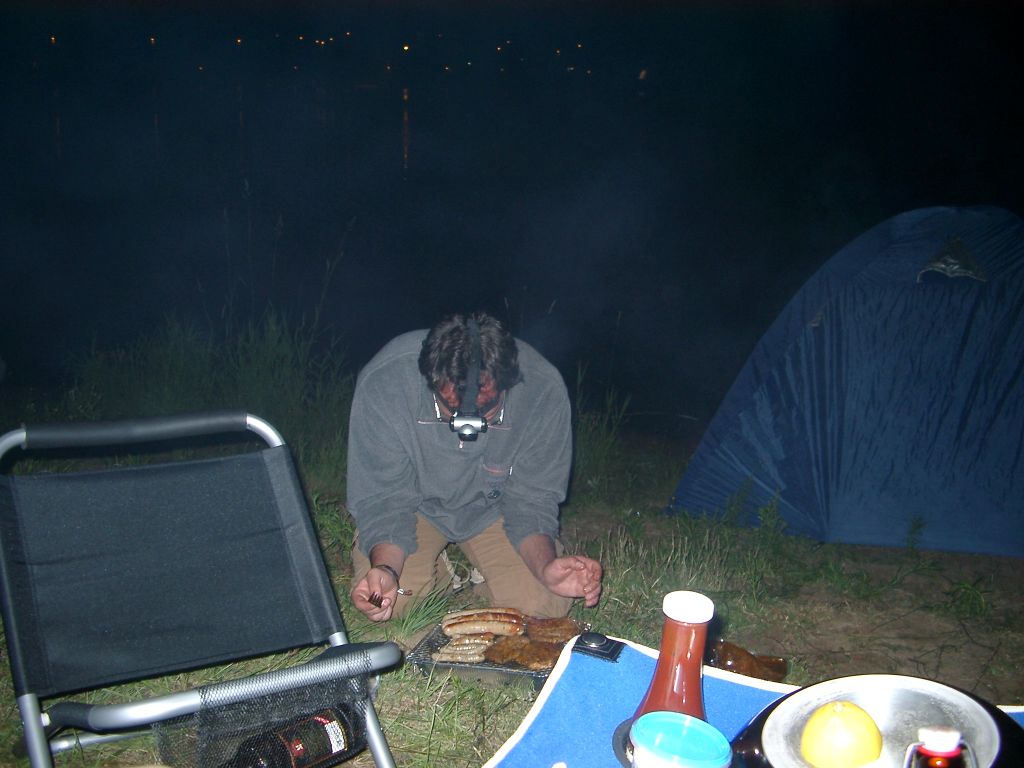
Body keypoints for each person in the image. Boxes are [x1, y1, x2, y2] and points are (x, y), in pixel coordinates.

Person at [347, 311, 603, 622]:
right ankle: (440, 574)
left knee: (542, 605)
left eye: (487, 410)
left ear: (508, 383)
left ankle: (486, 576)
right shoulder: (387, 382)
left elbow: (532, 500)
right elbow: (384, 499)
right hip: (415, 508)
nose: (466, 428)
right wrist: (386, 569)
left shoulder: (541, 390)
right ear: (431, 380)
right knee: (392, 604)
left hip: (495, 511)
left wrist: (546, 567)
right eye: (450, 409)